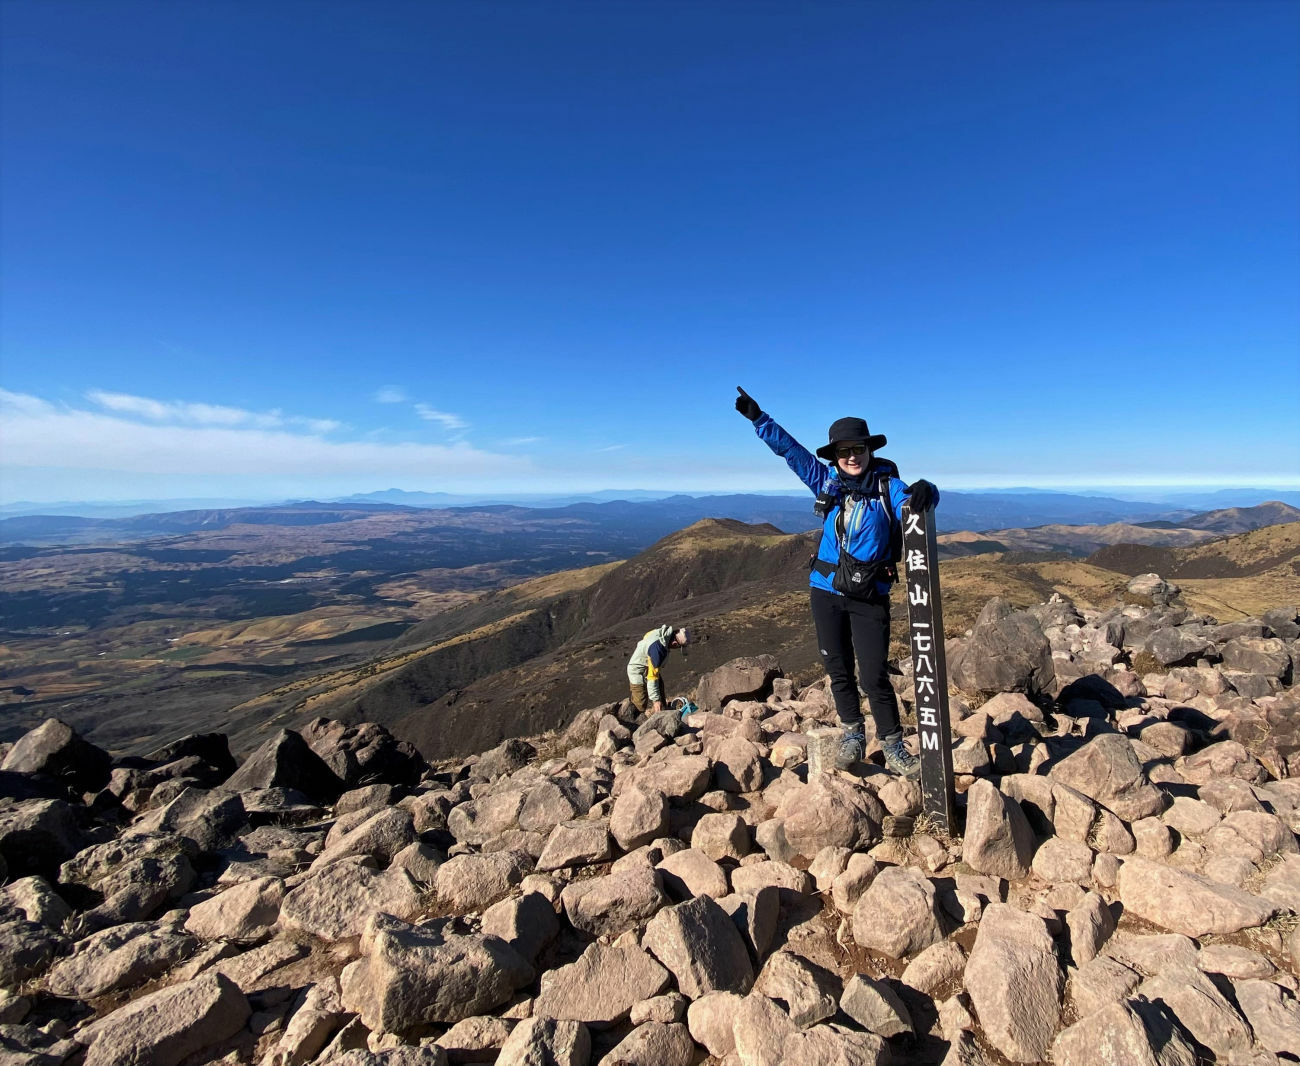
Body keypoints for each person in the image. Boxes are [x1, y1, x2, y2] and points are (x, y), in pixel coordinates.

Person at [734, 386, 938, 775]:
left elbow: (912, 501)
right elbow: (792, 453)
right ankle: (853, 734)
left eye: (857, 449)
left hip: (869, 595)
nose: (850, 457)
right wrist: (760, 419)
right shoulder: (826, 483)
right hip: (825, 591)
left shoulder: (886, 487)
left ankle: (893, 745)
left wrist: (929, 490)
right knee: (839, 670)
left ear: (868, 450)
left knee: (874, 674)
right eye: (843, 451)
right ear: (836, 456)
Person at [626, 624, 691, 714]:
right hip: (637, 670)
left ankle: (663, 712)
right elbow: (652, 677)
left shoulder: (662, 633)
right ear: (675, 643)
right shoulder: (658, 650)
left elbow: (646, 636)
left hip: (648, 665)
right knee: (640, 702)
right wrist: (655, 700)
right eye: (678, 647)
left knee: (660, 686)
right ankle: (634, 722)